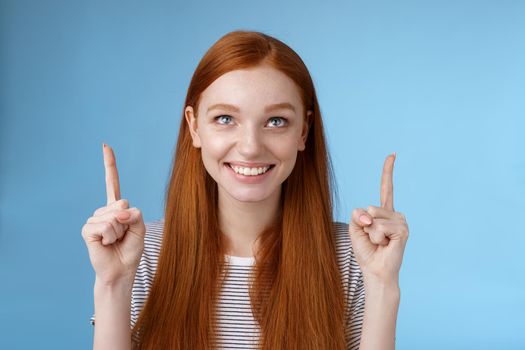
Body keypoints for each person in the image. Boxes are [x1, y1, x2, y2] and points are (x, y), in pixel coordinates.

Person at [81, 30, 409, 350]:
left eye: (276, 121)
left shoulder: (352, 255)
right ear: (194, 127)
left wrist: (382, 285)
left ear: (303, 132)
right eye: (225, 118)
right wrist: (113, 284)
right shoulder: (142, 254)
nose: (251, 148)